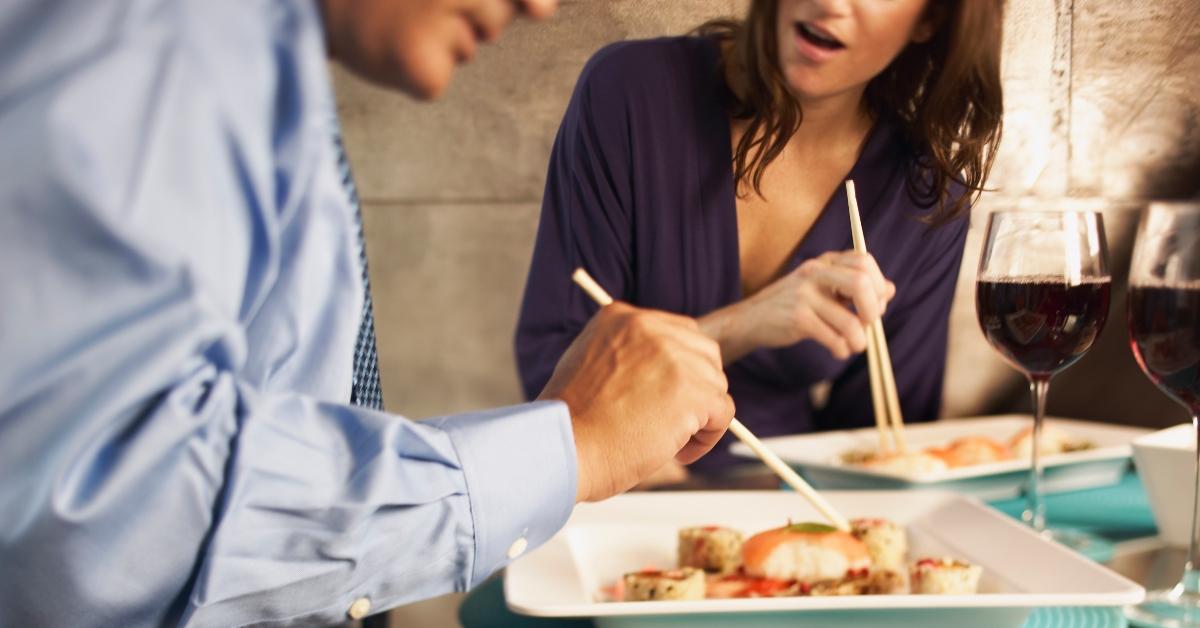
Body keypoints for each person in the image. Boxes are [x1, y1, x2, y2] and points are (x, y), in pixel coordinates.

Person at [0, 1, 736, 626]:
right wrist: (570, 447)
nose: (541, 6)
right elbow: (104, 512)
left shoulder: (262, 69)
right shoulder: (160, 40)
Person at [516, 0, 1004, 474]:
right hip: (617, 500)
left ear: (930, 19)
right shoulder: (630, 91)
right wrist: (745, 324)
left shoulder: (924, 194)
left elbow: (884, 453)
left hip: (793, 521)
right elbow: (556, 375)